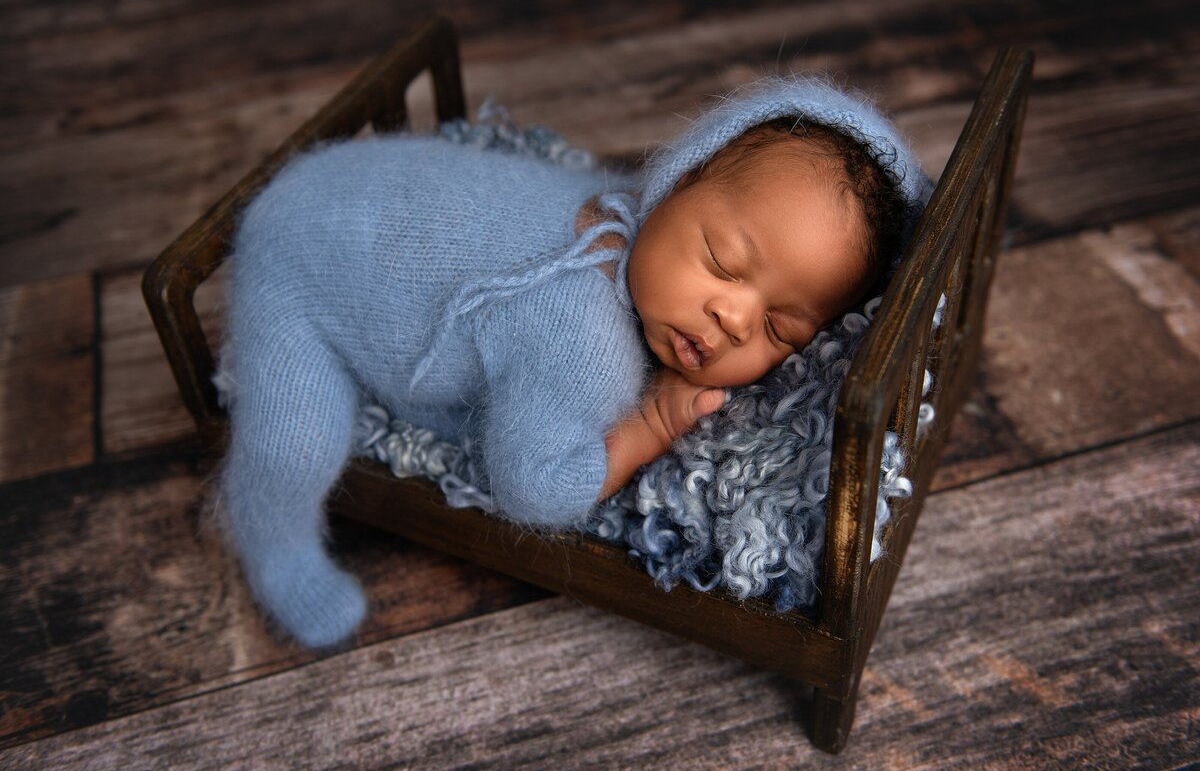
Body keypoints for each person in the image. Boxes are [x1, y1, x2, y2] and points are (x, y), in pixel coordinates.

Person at [217, 76, 928, 648]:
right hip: (303, 258)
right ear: (675, 182)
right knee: (294, 444)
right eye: (724, 261)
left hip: (352, 182)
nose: (734, 319)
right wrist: (648, 424)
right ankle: (275, 548)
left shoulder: (617, 212)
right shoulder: (584, 342)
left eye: (781, 327)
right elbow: (534, 487)